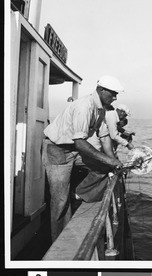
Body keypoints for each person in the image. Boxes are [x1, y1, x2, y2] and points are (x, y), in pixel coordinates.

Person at [42, 75, 124, 242]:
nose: (115, 97)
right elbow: (80, 144)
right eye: (113, 93)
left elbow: (105, 137)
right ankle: (59, 241)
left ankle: (79, 194)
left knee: (105, 167)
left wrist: (113, 161)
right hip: (57, 149)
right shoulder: (84, 106)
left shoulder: (101, 108)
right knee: (60, 199)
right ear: (101, 90)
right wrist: (111, 160)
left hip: (74, 149)